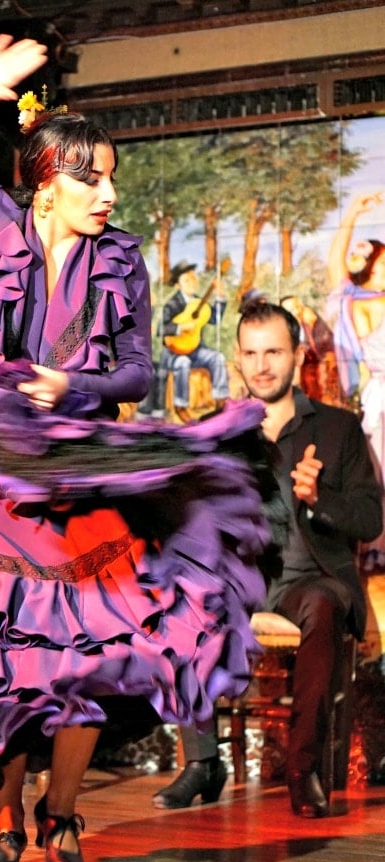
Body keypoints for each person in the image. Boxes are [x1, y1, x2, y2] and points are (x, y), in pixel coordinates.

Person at [0, 34, 285, 862]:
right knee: (6, 660)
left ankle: (61, 815)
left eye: (110, 176)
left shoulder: (121, 257)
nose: (109, 192)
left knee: (79, 660)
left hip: (84, 475)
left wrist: (73, 380)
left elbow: (140, 368)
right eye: (90, 177)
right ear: (45, 179)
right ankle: (1, 822)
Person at [153, 300, 382, 818]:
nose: (262, 365)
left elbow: (370, 520)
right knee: (187, 598)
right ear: (238, 359)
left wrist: (319, 496)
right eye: (251, 353)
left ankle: (303, 772)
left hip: (311, 578)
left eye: (274, 351)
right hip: (242, 578)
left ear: (298, 355)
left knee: (323, 608)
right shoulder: (221, 431)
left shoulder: (338, 429)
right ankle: (203, 763)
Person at [325, 191, 385, 569]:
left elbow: (334, 267)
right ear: (375, 268)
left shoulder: (353, 300)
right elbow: (336, 267)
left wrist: (351, 214)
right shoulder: (370, 301)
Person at [157, 261, 230, 421]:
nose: (192, 282)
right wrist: (180, 327)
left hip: (195, 350)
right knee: (182, 363)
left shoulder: (199, 302)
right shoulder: (172, 304)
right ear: (178, 285)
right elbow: (160, 330)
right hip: (174, 353)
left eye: (193, 278)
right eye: (186, 280)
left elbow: (214, 319)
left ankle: (220, 400)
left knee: (218, 358)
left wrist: (220, 296)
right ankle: (181, 405)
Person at [279, 295, 340, 405]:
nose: (294, 313)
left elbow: (329, 344)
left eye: (296, 308)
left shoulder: (311, 322)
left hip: (316, 372)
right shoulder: (279, 331)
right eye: (289, 311)